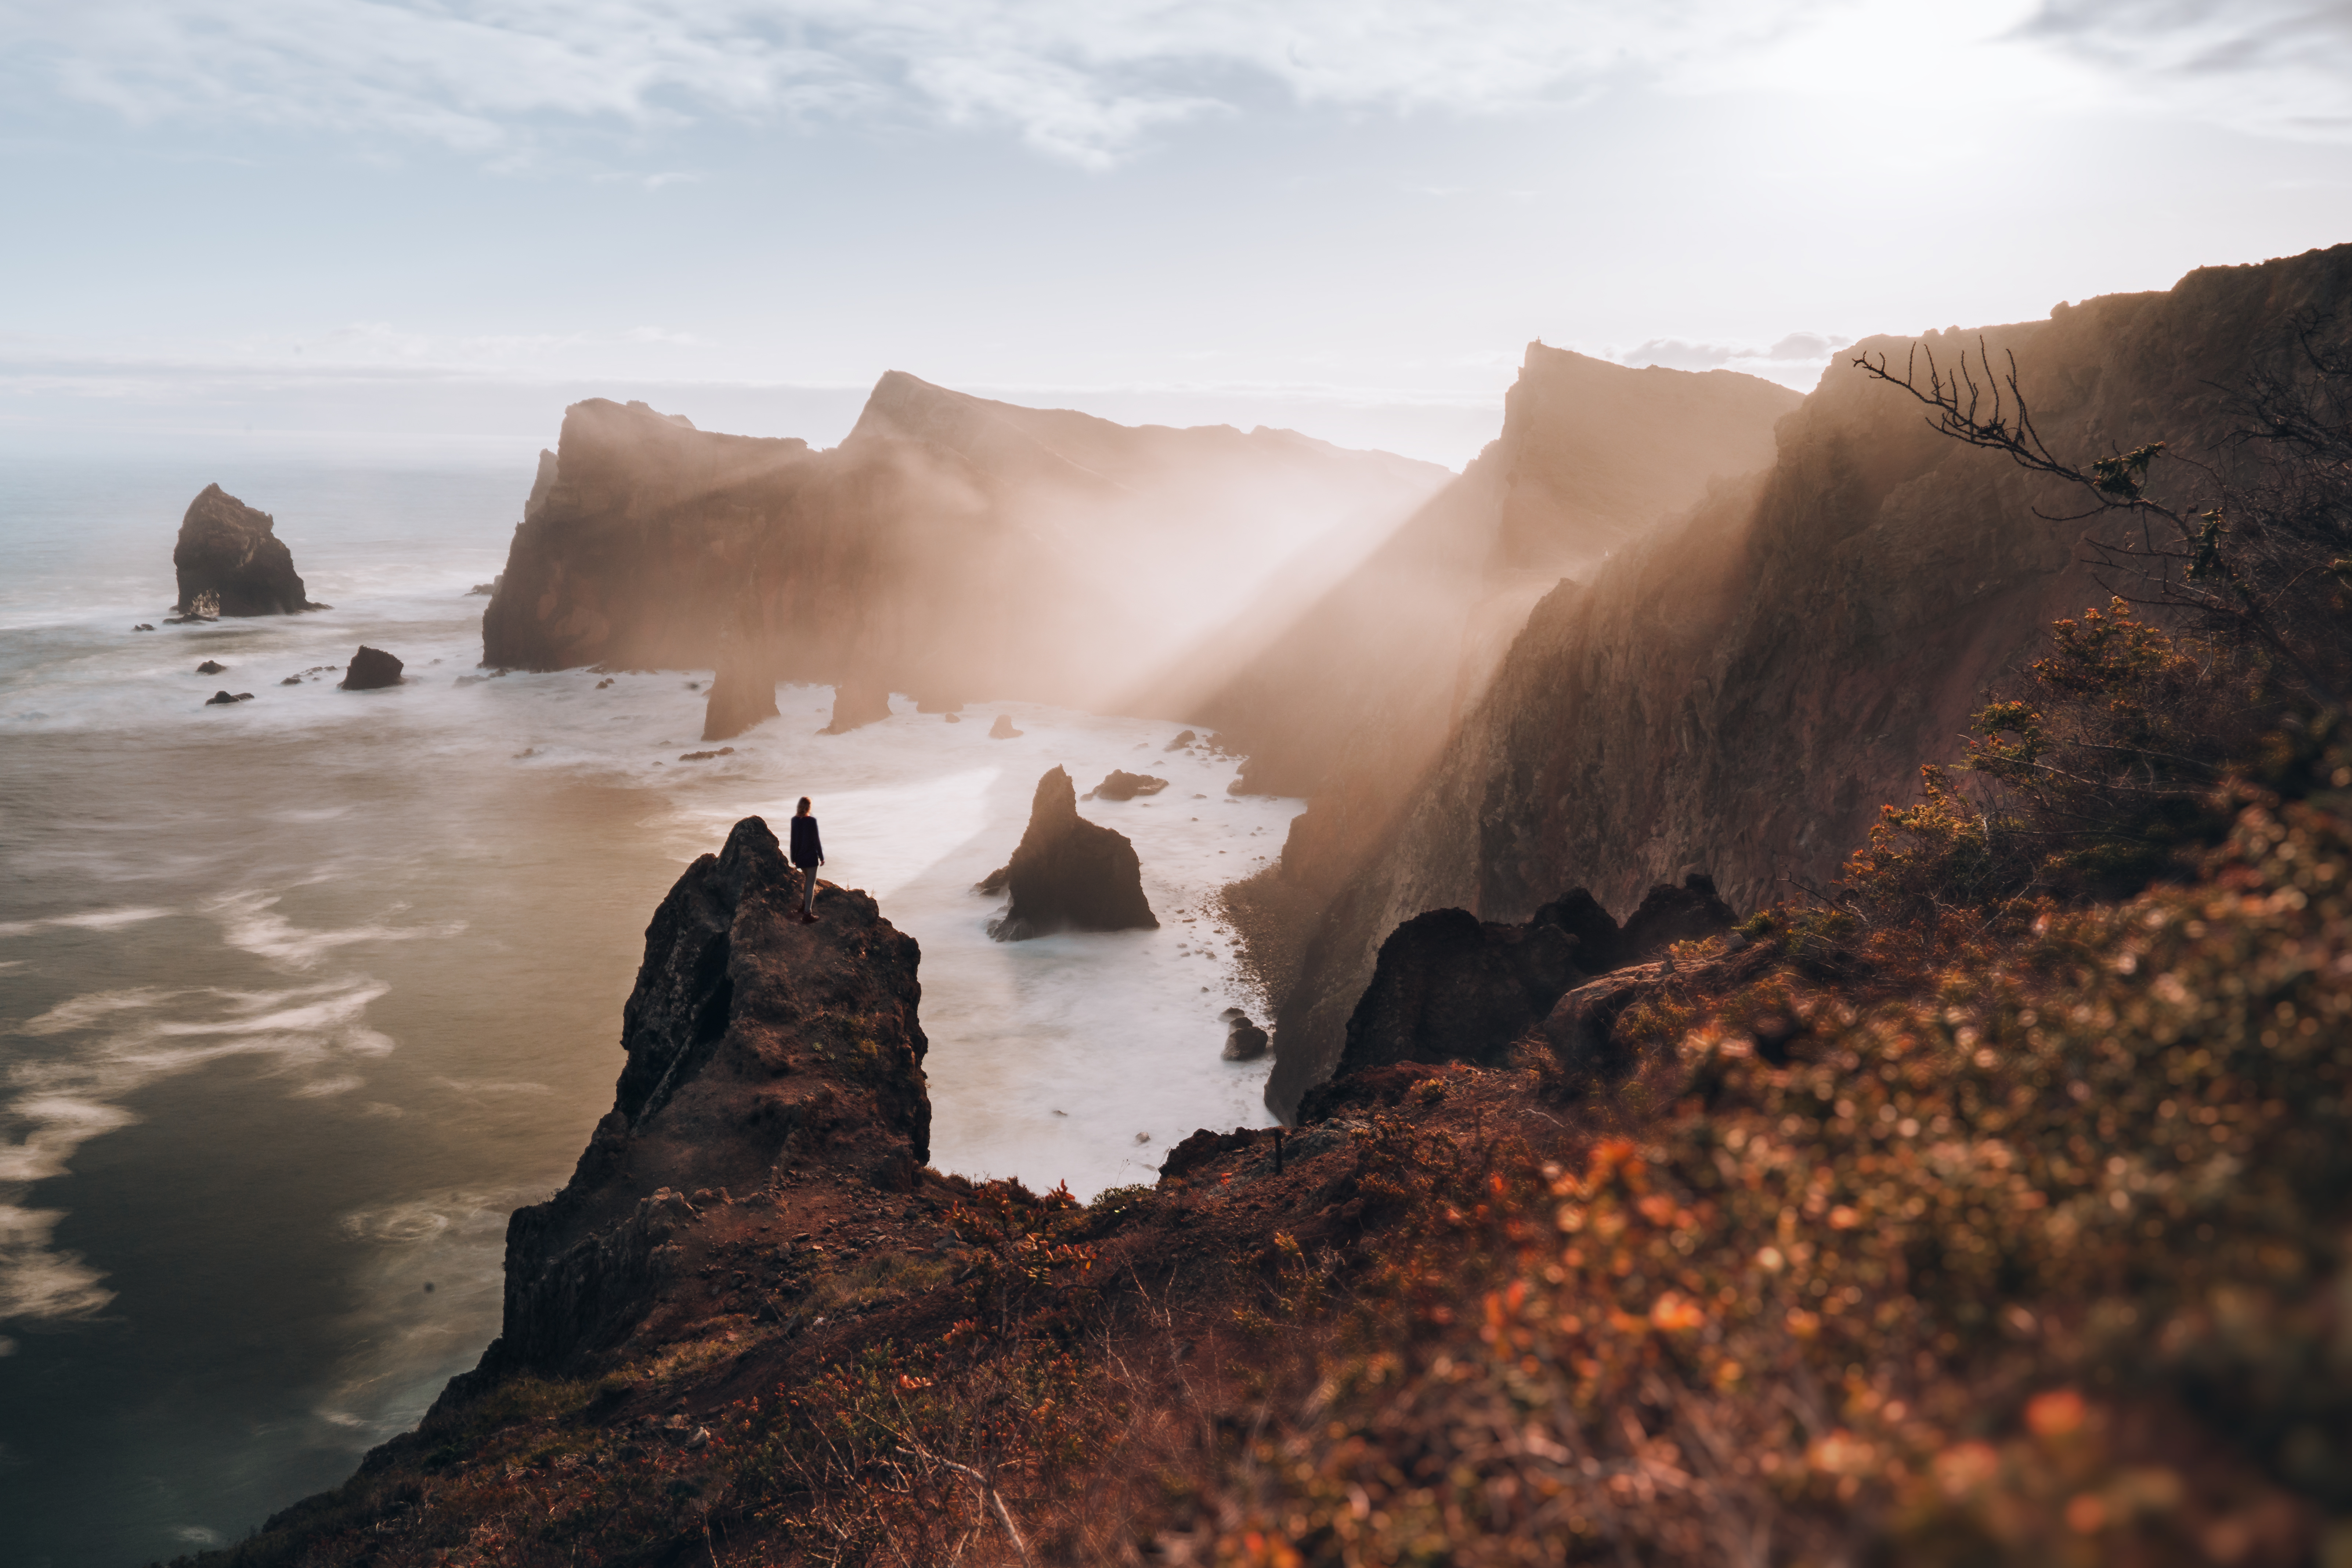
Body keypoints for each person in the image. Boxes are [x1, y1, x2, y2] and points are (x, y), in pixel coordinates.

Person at [789, 796, 824, 922]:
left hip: (800, 858)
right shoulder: (812, 821)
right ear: (809, 807)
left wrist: (794, 858)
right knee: (811, 884)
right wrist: (821, 857)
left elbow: (794, 841)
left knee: (807, 881)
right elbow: (816, 841)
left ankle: (804, 905)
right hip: (811, 858)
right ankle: (807, 914)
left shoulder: (795, 821)